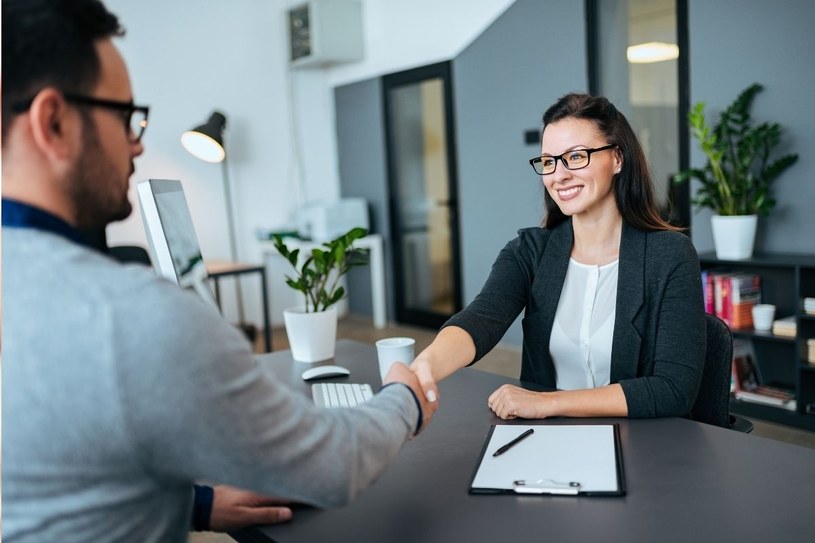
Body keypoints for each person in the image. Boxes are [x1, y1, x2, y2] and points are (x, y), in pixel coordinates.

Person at [1, 1, 439, 541]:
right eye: (126, 117)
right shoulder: (129, 317)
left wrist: (197, 504)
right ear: (53, 122)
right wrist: (405, 399)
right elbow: (335, 464)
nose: (137, 141)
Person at [410, 92, 705, 421]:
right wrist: (427, 364)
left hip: (642, 442)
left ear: (618, 158)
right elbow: (481, 319)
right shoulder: (530, 252)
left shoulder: (670, 255)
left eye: (576, 156)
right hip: (548, 439)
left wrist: (548, 403)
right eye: (549, 161)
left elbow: (672, 389)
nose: (558, 175)